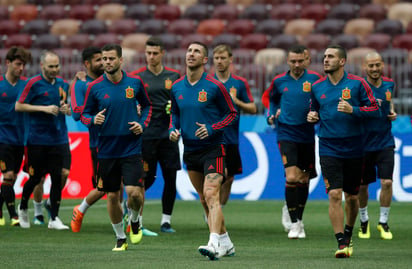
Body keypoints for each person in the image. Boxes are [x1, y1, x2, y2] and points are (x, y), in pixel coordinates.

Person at [307, 44, 380, 258]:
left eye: (330, 56)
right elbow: (315, 108)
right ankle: (341, 243)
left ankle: (349, 232)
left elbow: (376, 109)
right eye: (325, 56)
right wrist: (313, 115)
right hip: (328, 147)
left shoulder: (358, 84)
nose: (325, 60)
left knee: (352, 197)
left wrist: (353, 110)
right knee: (334, 194)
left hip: (355, 148)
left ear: (341, 61)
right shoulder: (317, 86)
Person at [169, 41, 238, 260]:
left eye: (196, 51)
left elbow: (231, 114)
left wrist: (211, 128)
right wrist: (173, 129)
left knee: (211, 194)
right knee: (203, 198)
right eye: (189, 50)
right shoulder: (177, 87)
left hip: (213, 149)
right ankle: (226, 242)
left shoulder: (215, 86)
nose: (191, 54)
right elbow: (175, 114)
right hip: (190, 149)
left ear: (204, 60)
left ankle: (214, 243)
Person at [81, 44, 152, 251]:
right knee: (112, 195)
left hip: (131, 147)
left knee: (135, 193)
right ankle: (120, 238)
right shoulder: (95, 87)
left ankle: (135, 219)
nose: (107, 62)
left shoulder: (135, 83)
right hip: (106, 150)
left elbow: (147, 106)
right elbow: (83, 115)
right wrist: (94, 119)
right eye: (104, 59)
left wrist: (142, 124)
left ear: (121, 60)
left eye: (111, 59)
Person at [266, 45, 322, 239]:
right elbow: (271, 100)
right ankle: (295, 223)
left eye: (300, 61)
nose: (297, 65)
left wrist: (318, 114)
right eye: (293, 61)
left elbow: (321, 101)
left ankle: (297, 216)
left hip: (307, 135)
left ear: (306, 60)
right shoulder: (279, 81)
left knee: (303, 179)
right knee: (291, 177)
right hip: (286, 133)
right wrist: (271, 114)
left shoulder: (315, 79)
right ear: (288, 62)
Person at [130, 36, 181, 235]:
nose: (151, 57)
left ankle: (166, 221)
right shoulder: (136, 77)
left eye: (154, 53)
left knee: (170, 177)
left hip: (168, 135)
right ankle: (137, 221)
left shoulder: (174, 76)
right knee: (144, 179)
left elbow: (179, 101)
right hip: (146, 135)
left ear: (162, 54)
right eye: (148, 53)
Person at [16, 51, 71, 230]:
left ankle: (54, 217)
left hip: (58, 138)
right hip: (37, 140)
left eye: (57, 66)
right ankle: (23, 207)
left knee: (58, 177)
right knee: (35, 177)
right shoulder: (33, 83)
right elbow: (19, 105)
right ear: (42, 66)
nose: (55, 70)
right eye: (51, 67)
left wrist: (66, 109)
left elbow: (68, 107)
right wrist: (44, 109)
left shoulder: (63, 84)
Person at [212, 44, 257, 207]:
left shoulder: (239, 83)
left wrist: (236, 101)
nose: (219, 61)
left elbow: (253, 108)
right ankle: (212, 207)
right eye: (216, 58)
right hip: (213, 138)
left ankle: (219, 211)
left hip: (231, 138)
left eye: (223, 58)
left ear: (230, 60)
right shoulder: (209, 82)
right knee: (218, 175)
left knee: (229, 178)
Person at [358, 52, 396, 240]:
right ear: (364, 67)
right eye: (370, 65)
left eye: (377, 65)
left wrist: (392, 111)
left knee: (387, 182)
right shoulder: (358, 87)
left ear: (382, 65)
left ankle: (383, 222)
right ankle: (364, 221)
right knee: (363, 186)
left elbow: (389, 103)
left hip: (385, 141)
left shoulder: (389, 84)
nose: (374, 69)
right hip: (363, 144)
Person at [69, 46, 105, 232]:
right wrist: (95, 116)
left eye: (103, 59)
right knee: (104, 186)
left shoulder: (109, 81)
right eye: (98, 59)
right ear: (87, 63)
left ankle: (128, 222)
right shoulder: (81, 85)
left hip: (121, 140)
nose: (102, 62)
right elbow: (76, 114)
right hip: (98, 143)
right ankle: (80, 209)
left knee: (126, 183)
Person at [0, 47, 31, 227]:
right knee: (8, 175)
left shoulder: (26, 85)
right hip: (2, 139)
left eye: (23, 65)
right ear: (8, 63)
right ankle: (13, 215)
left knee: (12, 177)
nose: (21, 68)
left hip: (20, 139)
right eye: (18, 64)